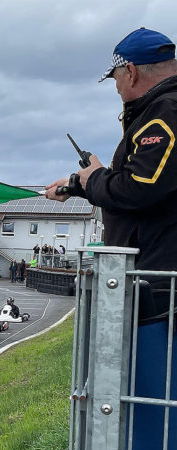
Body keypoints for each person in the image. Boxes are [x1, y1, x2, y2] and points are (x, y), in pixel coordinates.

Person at [45, 27, 177, 303]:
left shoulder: (165, 112)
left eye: (115, 78)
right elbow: (148, 181)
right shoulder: (161, 110)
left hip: (158, 286)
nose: (116, 87)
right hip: (156, 280)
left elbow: (140, 188)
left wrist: (93, 180)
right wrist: (78, 184)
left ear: (131, 72)